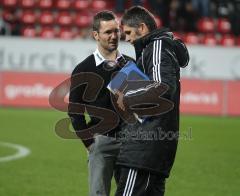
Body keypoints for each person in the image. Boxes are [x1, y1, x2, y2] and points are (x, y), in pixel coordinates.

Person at [115, 6, 189, 196]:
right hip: (153, 147)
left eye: (129, 33)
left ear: (142, 27)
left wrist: (126, 99)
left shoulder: (157, 46)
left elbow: (161, 88)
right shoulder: (153, 49)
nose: (128, 39)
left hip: (144, 147)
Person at [68, 11, 133, 196]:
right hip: (100, 143)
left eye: (116, 31)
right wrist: (89, 143)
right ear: (95, 35)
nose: (114, 36)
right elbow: (74, 111)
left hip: (130, 144)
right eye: (108, 32)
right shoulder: (83, 69)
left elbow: (141, 107)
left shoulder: (131, 65)